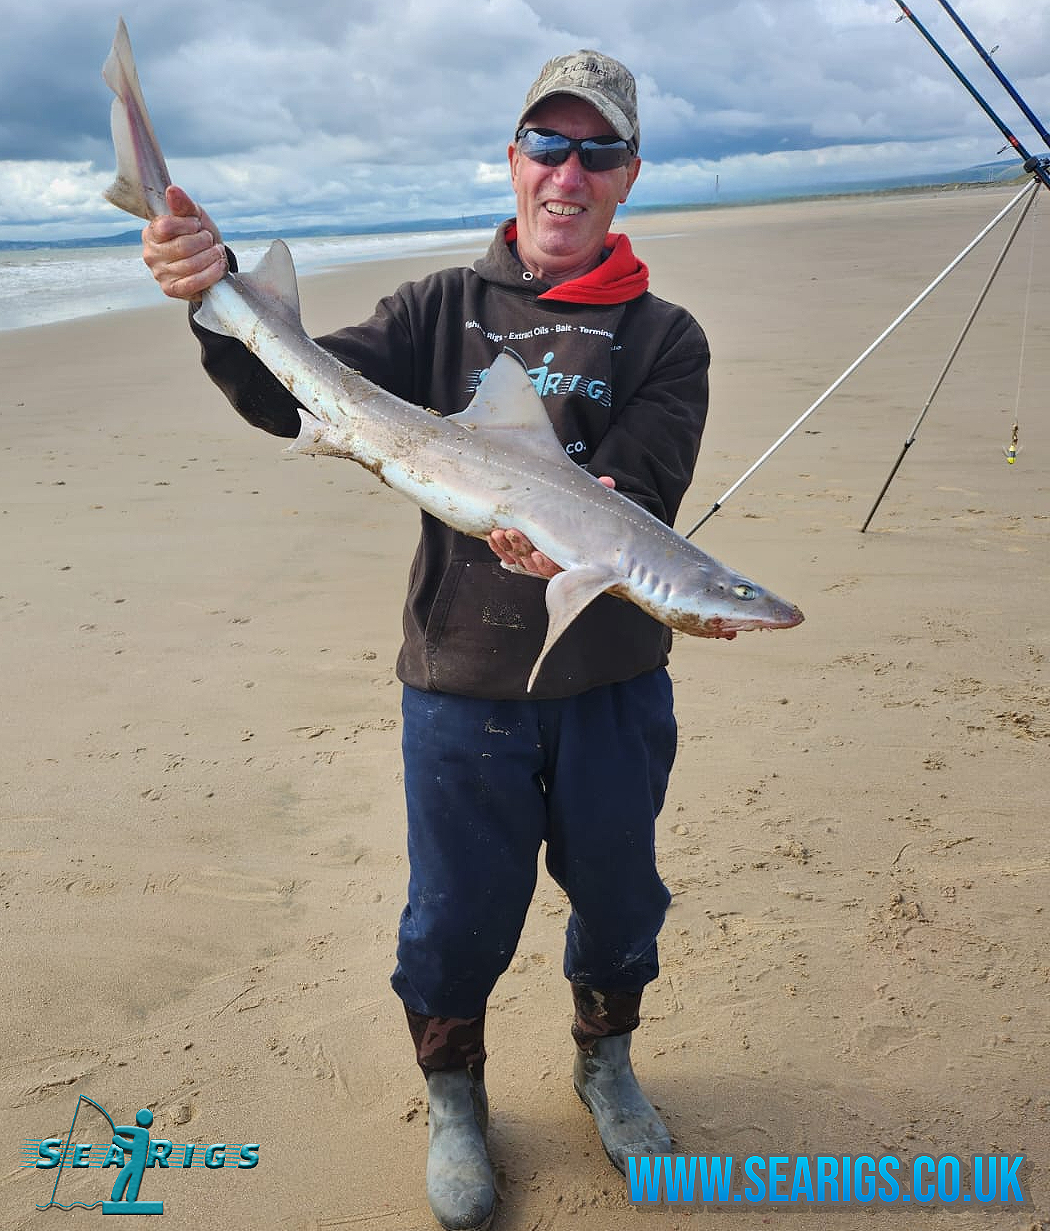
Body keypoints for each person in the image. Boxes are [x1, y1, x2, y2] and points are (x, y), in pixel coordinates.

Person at [143, 49, 709, 1231]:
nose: (567, 174)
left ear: (628, 174)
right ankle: (454, 1096)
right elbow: (291, 394)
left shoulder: (666, 336)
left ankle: (605, 1065)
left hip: (610, 684)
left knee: (621, 899)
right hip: (461, 681)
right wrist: (218, 297)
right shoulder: (437, 311)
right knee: (453, 915)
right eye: (547, 145)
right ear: (514, 160)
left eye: (597, 151)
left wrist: (578, 522)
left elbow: (642, 491)